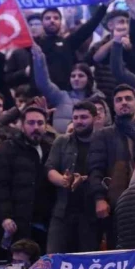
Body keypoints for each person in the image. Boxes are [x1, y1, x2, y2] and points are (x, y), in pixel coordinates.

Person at [88, 84, 135, 249]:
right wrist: (99, 199)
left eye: (128, 98)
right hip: (115, 205)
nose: (124, 102)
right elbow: (95, 169)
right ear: (114, 106)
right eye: (119, 100)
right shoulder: (103, 135)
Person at [0, 106, 55, 253]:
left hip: (44, 220)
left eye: (40, 123)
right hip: (18, 221)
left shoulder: (50, 148)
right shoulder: (8, 148)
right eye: (31, 123)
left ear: (46, 126)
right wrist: (5, 216)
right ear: (22, 125)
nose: (36, 127)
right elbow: (0, 186)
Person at [45, 102, 99, 254]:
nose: (79, 121)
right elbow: (50, 168)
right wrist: (62, 180)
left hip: (90, 213)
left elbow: (106, 173)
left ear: (95, 118)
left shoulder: (102, 141)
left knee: (87, 261)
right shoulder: (61, 141)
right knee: (54, 258)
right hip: (62, 211)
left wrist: (84, 179)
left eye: (84, 117)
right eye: (75, 117)